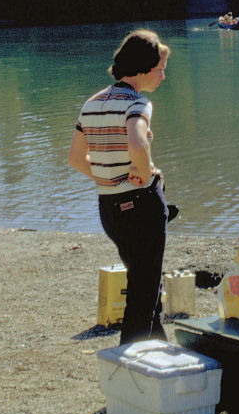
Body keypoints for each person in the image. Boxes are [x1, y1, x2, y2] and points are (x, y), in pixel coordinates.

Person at [68, 30, 171, 344]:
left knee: (146, 287)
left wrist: (110, 179)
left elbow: (75, 158)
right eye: (160, 69)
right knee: (143, 294)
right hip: (142, 206)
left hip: (109, 209)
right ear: (142, 69)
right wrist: (143, 173)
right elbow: (137, 142)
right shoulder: (137, 102)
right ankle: (129, 363)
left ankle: (159, 355)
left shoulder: (92, 104)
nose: (163, 76)